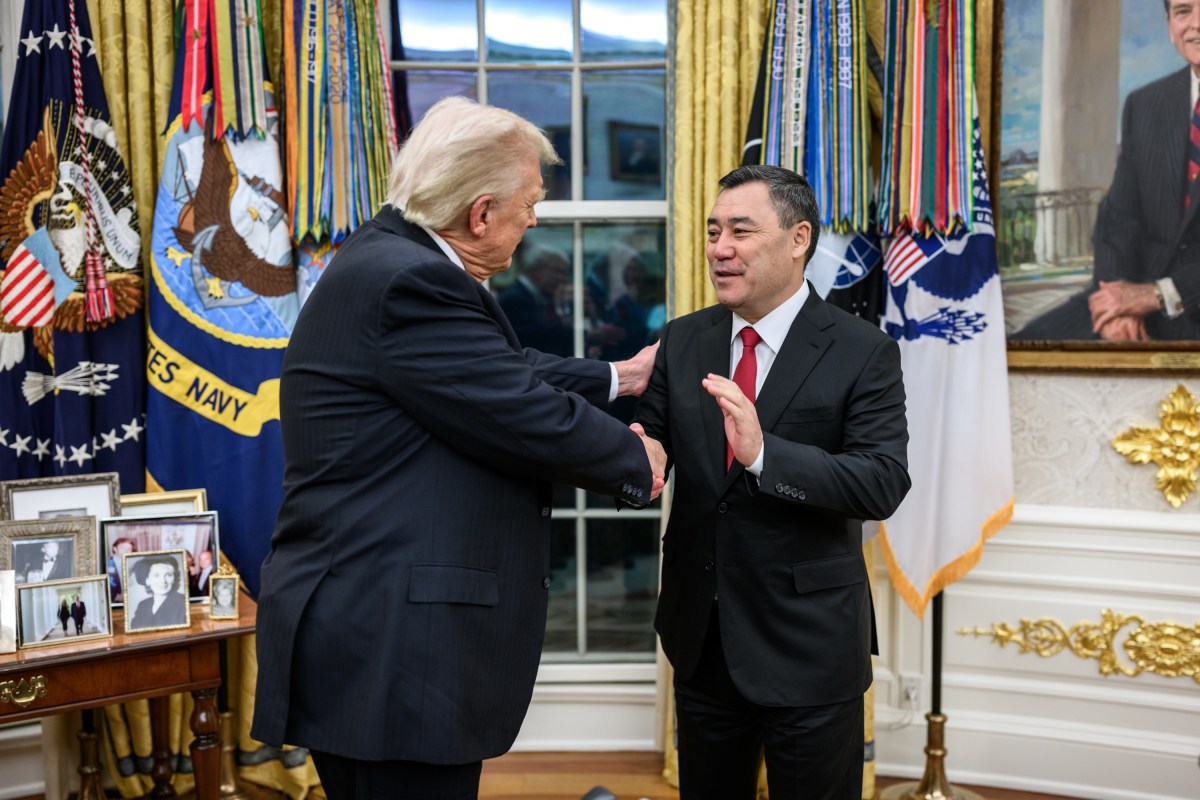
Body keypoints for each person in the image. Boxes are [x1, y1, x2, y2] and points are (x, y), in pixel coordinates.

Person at [251, 96, 667, 800]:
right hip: (391, 644)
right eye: (530, 204)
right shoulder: (409, 282)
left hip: (369, 628)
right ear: (479, 213)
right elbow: (520, 410)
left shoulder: (395, 259)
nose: (535, 219)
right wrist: (637, 461)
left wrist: (618, 377)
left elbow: (496, 370)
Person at [634, 165, 911, 800]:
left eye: (740, 231)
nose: (719, 248)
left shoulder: (862, 350)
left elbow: (882, 483)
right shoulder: (683, 338)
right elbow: (655, 438)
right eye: (712, 231)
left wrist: (765, 455)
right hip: (702, 641)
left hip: (808, 647)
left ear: (798, 239)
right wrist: (639, 451)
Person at [1018, 0, 1200, 340]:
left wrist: (1159, 295)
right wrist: (1116, 303)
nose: (1196, 24)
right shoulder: (1145, 105)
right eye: (1183, 11)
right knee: (1020, 350)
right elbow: (1118, 218)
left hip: (1186, 300)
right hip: (1138, 298)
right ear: (1168, 23)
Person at [129, 556, 188, 629]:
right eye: (156, 575)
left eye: (168, 575)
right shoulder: (143, 605)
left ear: (174, 579)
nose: (163, 581)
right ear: (147, 580)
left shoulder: (183, 602)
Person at [108, 537, 136, 601]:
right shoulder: (107, 565)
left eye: (129, 549)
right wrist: (117, 597)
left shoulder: (132, 564)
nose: (126, 551)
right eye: (123, 548)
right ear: (115, 549)